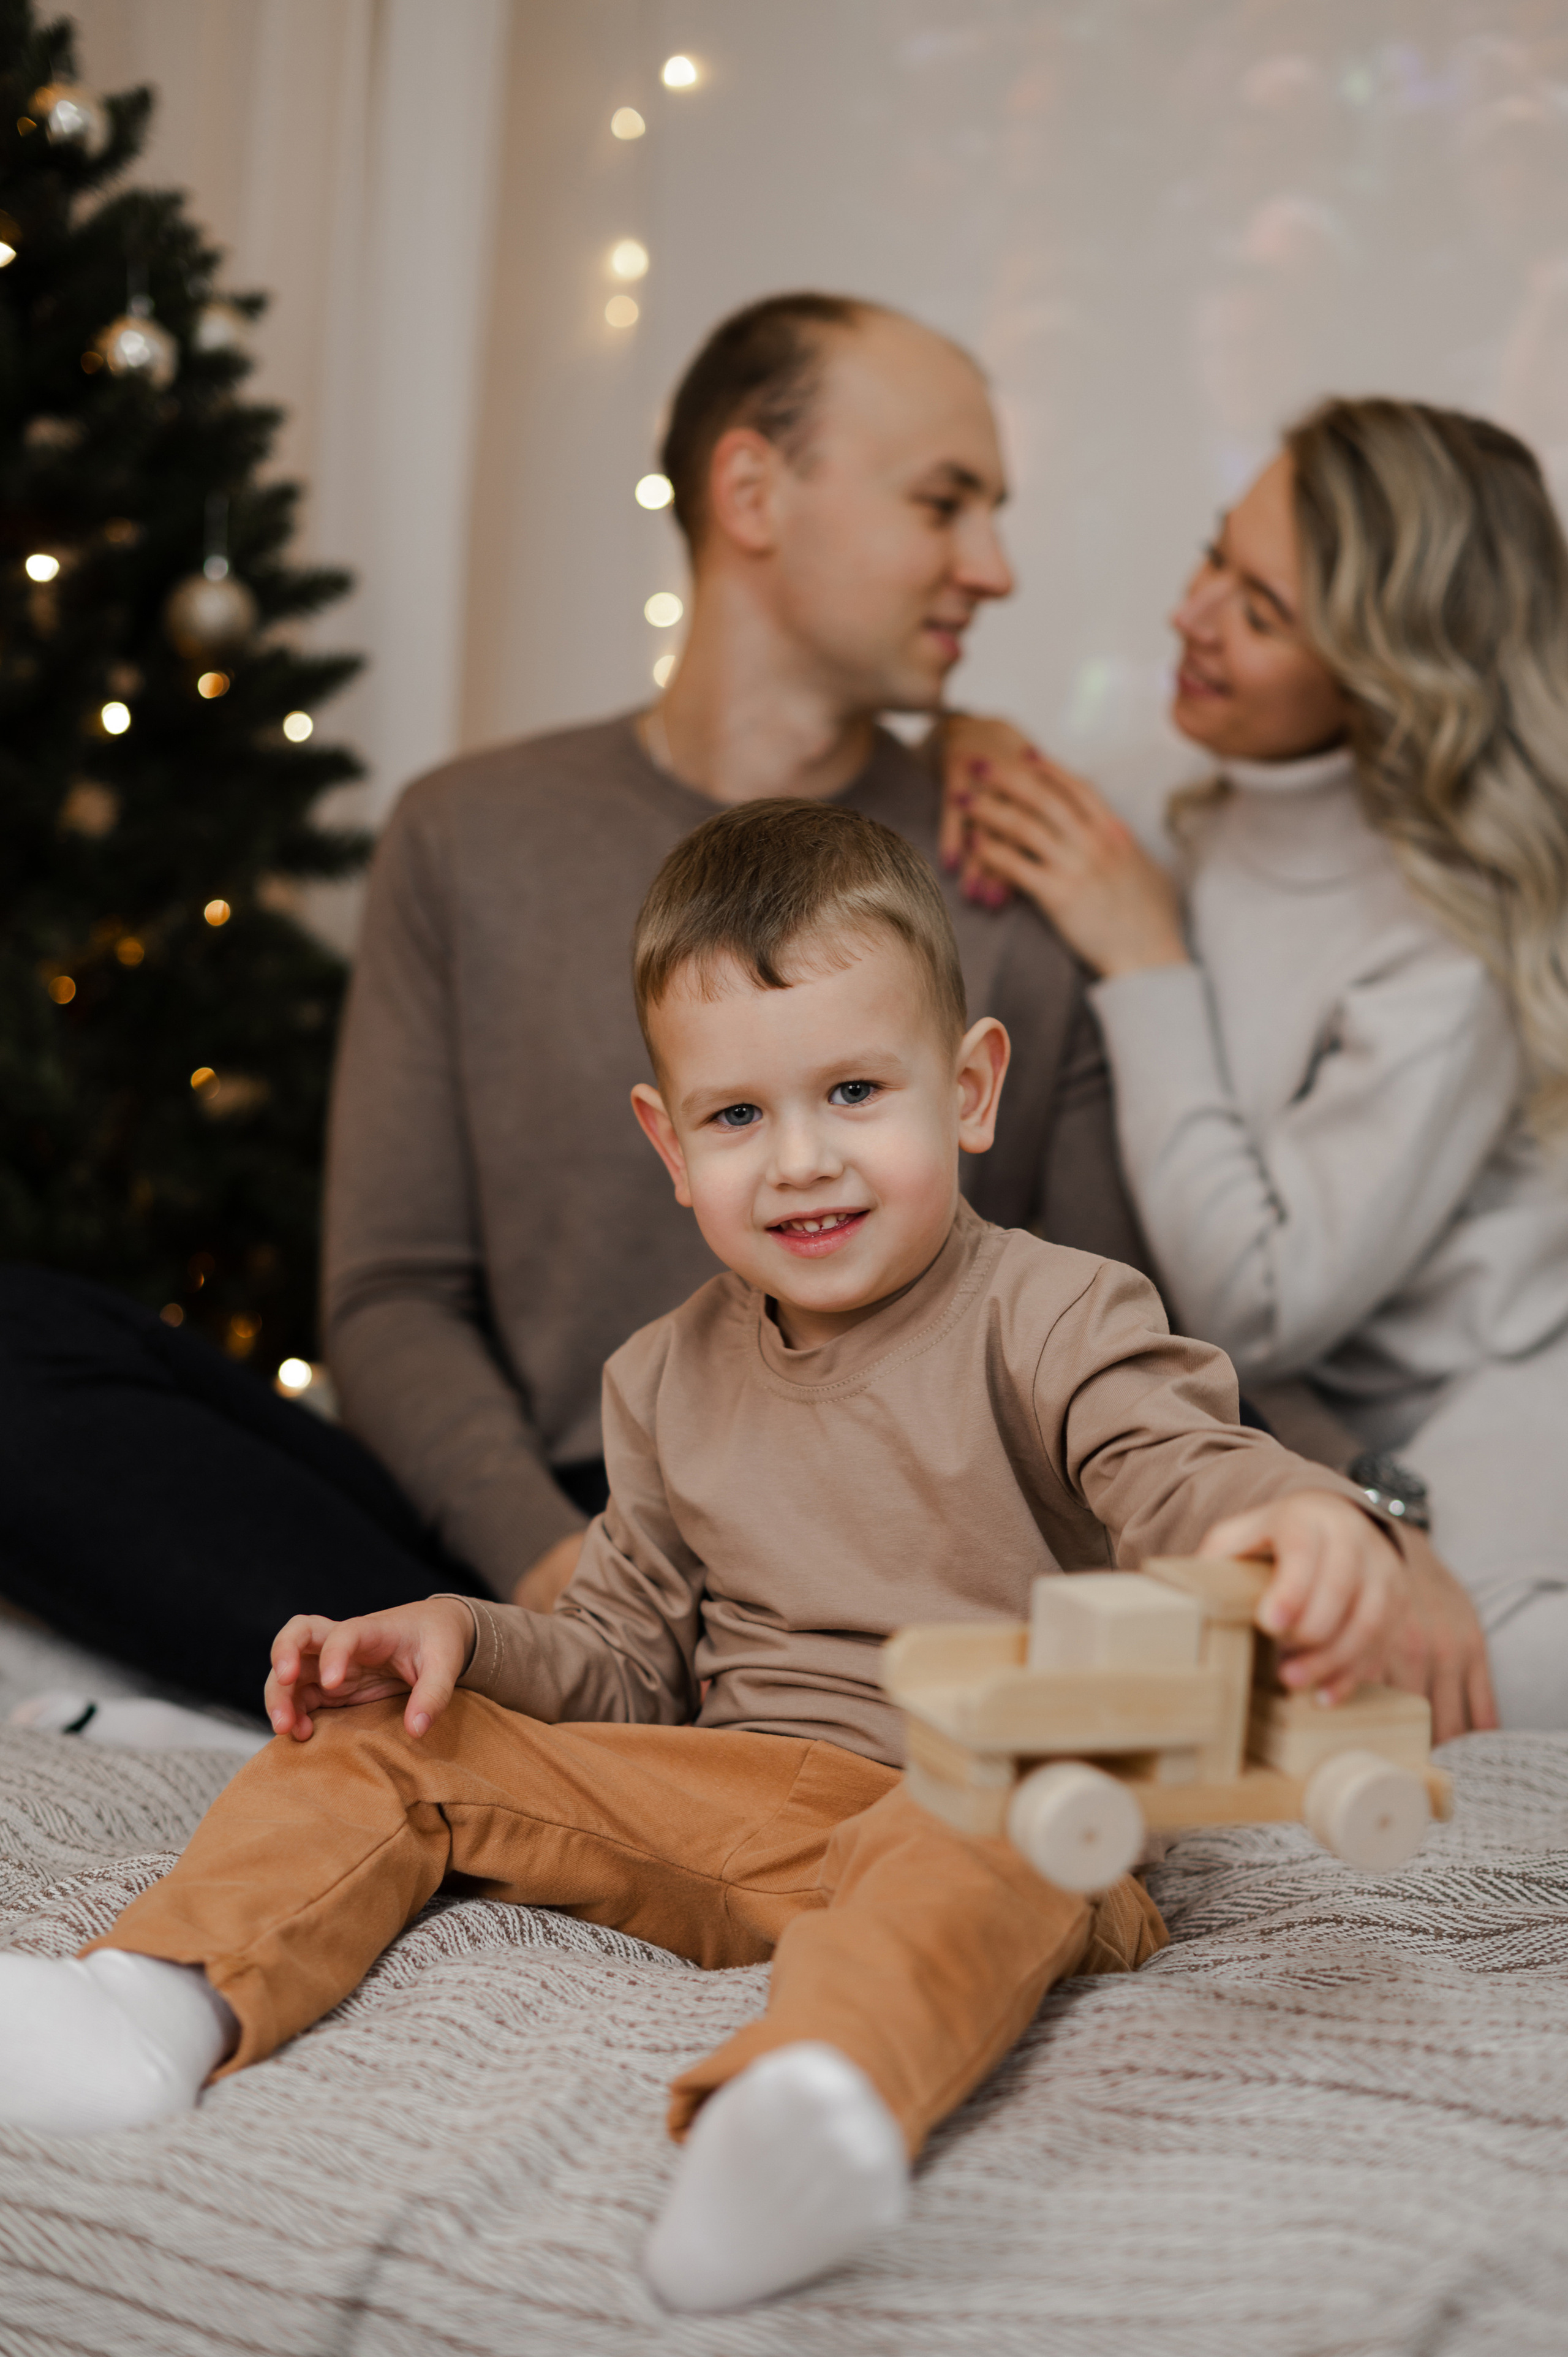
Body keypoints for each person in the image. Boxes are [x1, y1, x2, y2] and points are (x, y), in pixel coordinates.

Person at [0, 802, 1413, 2312]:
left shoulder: (1058, 1317)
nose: (802, 1162)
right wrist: (463, 1637)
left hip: (994, 1805)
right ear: (668, 1143)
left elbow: (1179, 1464)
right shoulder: (661, 1377)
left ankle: (810, 2102)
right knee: (379, 1740)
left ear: (969, 1088)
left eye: (856, 1091)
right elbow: (616, 1657)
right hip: (735, 1797)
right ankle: (156, 2004)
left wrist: (1290, 1519)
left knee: (990, 1828)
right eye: (738, 1117)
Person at [0, 292, 1147, 1720]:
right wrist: (549, 1584)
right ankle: (501, 1696)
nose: (991, 565)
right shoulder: (468, 833)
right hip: (521, 1535)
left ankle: (581, 1726)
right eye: (944, 501)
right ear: (750, 491)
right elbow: (391, 1293)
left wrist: (1359, 1517)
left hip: (867, 1574)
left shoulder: (1003, 868)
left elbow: (1115, 1337)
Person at [945, 398, 1568, 1731]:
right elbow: (1011, 773)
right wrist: (969, 745)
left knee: (1317, 1698)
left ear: (1383, 669)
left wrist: (1143, 961)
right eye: (1210, 556)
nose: (1190, 612)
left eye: (1260, 608)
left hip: (1485, 1465)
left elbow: (1258, 1299)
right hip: (1290, 1458)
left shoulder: (1439, 939)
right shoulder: (1203, 802)